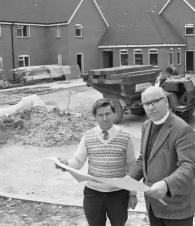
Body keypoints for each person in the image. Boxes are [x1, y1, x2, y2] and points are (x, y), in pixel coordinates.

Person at [56, 98, 138, 226]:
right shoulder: (88, 136)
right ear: (95, 117)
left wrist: (133, 194)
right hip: (93, 195)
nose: (105, 118)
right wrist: (66, 164)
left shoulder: (126, 137)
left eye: (108, 114)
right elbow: (78, 160)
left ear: (114, 114)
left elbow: (132, 166)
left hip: (118, 195)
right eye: (100, 115)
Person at [128, 86, 195, 226]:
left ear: (165, 101)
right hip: (153, 205)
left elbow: (189, 166)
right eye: (146, 104)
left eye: (155, 102)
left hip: (177, 207)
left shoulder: (182, 129)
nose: (150, 107)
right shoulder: (146, 125)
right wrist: (128, 180)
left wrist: (166, 184)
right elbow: (144, 159)